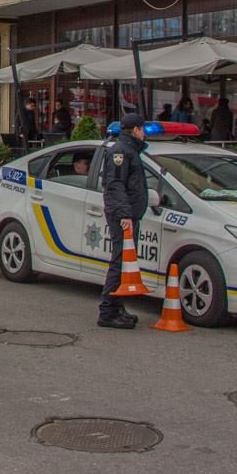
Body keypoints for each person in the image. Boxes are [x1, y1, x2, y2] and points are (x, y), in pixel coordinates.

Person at [99, 113, 148, 329]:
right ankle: (107, 312)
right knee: (119, 261)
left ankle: (117, 307)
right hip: (123, 216)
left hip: (128, 214)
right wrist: (125, 214)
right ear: (136, 129)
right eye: (142, 129)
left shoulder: (130, 150)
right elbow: (116, 185)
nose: (144, 133)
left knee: (124, 263)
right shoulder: (121, 152)